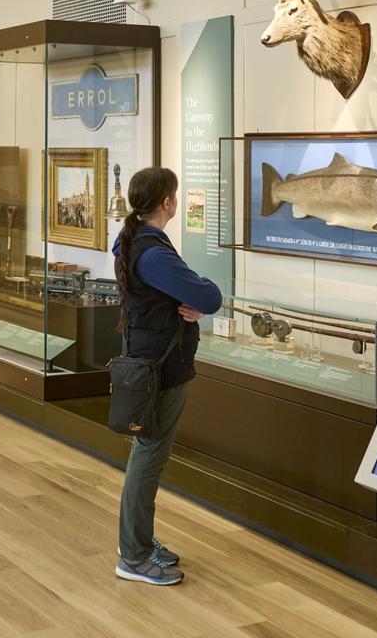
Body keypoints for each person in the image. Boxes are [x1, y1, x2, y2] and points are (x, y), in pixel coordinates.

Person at [113, 167, 223, 586]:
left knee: (147, 454)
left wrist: (188, 299)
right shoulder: (154, 253)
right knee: (149, 456)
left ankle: (138, 541)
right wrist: (196, 298)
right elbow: (210, 296)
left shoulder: (133, 241)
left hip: (149, 362)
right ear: (167, 202)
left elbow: (185, 297)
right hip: (160, 367)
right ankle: (134, 554)